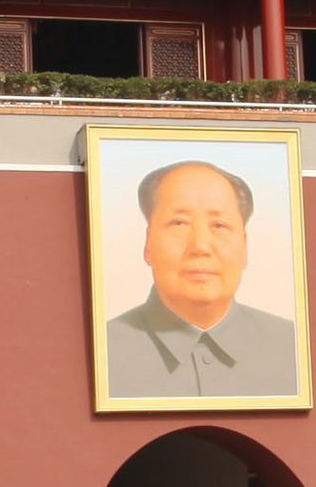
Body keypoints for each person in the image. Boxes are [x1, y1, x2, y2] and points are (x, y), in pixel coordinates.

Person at [104, 160, 299, 400]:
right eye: (179, 223)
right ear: (147, 244)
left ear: (245, 246)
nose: (200, 246)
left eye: (219, 225)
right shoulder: (105, 351)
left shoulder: (293, 348)